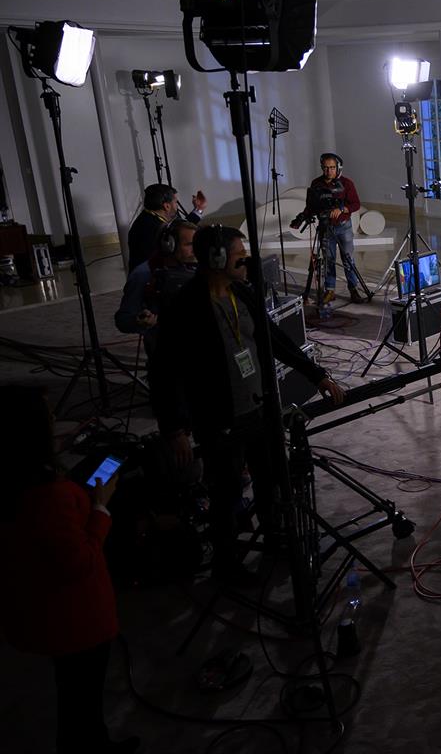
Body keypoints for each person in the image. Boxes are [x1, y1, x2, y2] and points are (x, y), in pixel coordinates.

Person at [150, 225, 345, 586]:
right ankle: (227, 565)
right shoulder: (187, 305)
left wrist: (317, 375)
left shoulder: (241, 291)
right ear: (216, 258)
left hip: (260, 408)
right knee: (225, 493)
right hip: (219, 418)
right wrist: (174, 428)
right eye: (239, 254)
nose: (246, 260)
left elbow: (276, 340)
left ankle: (275, 539)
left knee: (272, 478)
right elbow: (164, 373)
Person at [0, 385, 140, 753]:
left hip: (41, 614)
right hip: (77, 622)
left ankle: (94, 742)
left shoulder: (15, 484)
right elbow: (80, 561)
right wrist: (100, 508)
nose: (54, 420)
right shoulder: (50, 498)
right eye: (47, 416)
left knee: (75, 695)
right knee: (82, 698)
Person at [114, 219, 197, 359]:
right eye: (189, 244)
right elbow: (123, 320)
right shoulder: (143, 274)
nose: (196, 249)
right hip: (167, 354)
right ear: (168, 245)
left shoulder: (196, 268)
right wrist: (139, 321)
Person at [306, 152, 366, 304]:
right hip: (325, 227)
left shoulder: (346, 183)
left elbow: (356, 204)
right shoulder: (316, 183)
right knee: (328, 260)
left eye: (332, 167)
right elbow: (311, 204)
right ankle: (330, 290)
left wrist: (342, 209)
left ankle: (353, 290)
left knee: (348, 260)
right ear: (322, 167)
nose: (329, 171)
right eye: (326, 168)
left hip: (343, 227)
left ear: (338, 167)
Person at [126, 183, 206, 273]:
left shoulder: (147, 217)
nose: (177, 206)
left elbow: (180, 227)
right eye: (176, 202)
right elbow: (180, 231)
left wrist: (199, 209)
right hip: (150, 279)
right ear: (167, 206)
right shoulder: (156, 227)